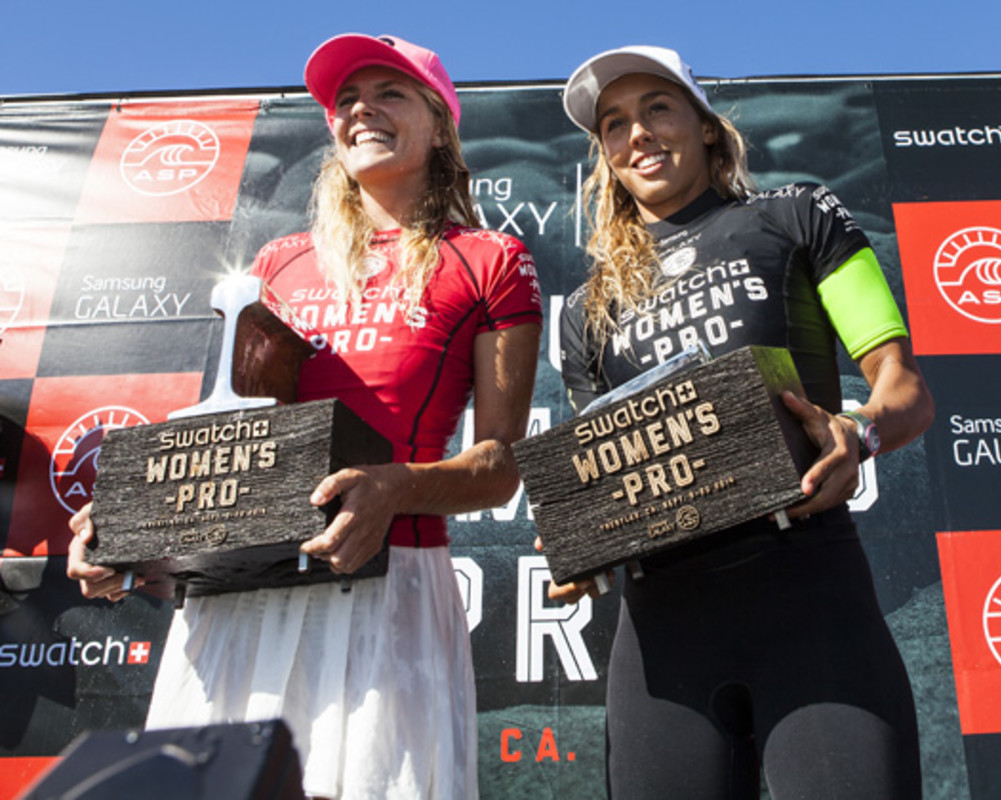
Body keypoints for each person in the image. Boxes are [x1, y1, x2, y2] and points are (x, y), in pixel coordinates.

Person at [67, 33, 542, 800]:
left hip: (387, 584)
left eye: (389, 92)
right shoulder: (277, 264)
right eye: (346, 99)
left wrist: (392, 487)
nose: (362, 110)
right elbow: (233, 445)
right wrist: (132, 524)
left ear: (438, 124)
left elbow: (500, 466)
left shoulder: (491, 259)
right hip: (241, 596)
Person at [553, 46, 935, 799]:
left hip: (809, 594)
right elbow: (602, 469)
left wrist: (858, 431)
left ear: (705, 126)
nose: (638, 133)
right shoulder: (584, 309)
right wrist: (582, 539)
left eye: (657, 108)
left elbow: (905, 387)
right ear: (605, 156)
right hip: (662, 637)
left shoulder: (796, 215)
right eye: (615, 124)